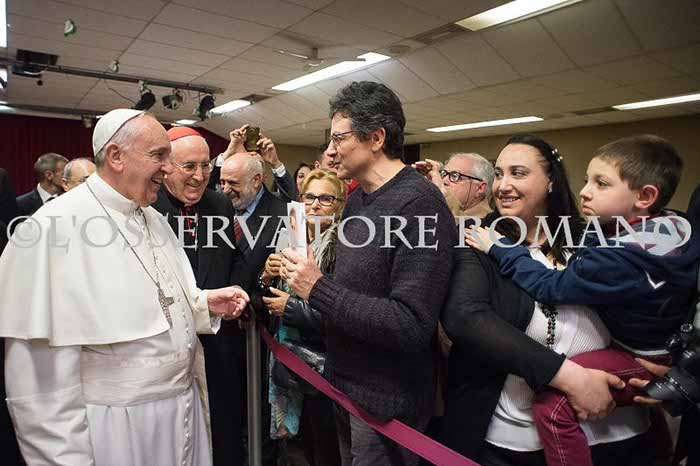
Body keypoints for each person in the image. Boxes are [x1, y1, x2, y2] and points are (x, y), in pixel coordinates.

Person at [0, 109, 250, 466]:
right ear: (116, 156)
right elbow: (40, 384)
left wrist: (202, 303)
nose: (168, 168)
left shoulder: (153, 218)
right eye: (159, 156)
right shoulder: (50, 230)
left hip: (182, 412)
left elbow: (160, 299)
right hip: (112, 429)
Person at [467, 135, 700, 466]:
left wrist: (503, 249)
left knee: (552, 408)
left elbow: (550, 286)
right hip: (515, 432)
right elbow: (467, 319)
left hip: (637, 369)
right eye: (498, 173)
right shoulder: (672, 226)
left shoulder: (607, 251)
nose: (586, 191)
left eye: (518, 173)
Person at [281, 81, 457, 466]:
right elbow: (353, 289)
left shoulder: (420, 205)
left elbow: (410, 323)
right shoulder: (358, 199)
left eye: (339, 138)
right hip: (345, 388)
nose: (329, 151)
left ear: (376, 138)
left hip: (386, 406)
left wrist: (317, 287)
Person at [151, 126, 245, 466]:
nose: (200, 175)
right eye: (189, 166)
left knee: (223, 430)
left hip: (218, 341)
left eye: (206, 165)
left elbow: (235, 258)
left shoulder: (220, 203)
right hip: (166, 345)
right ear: (166, 167)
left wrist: (236, 292)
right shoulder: (148, 206)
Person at [260, 168, 345, 466]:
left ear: (340, 205)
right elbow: (267, 297)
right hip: (288, 360)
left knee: (326, 448)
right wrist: (266, 275)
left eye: (326, 199)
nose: (315, 205)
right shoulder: (288, 238)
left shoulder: (343, 246)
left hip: (324, 364)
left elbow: (340, 312)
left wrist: (290, 308)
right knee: (302, 447)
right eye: (309, 197)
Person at [210, 125, 297, 202]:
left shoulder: (274, 201)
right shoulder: (225, 197)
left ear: (259, 179)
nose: (253, 154)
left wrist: (275, 163)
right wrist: (228, 153)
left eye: (256, 164)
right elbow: (205, 185)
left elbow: (290, 199)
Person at [414, 152, 493, 221]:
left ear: (480, 188)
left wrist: (442, 190)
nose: (444, 181)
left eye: (455, 176)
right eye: (444, 174)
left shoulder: (487, 222)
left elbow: (459, 226)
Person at [16, 152, 68, 217]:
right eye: (64, 173)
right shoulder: (21, 204)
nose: (69, 177)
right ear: (49, 175)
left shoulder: (69, 199)